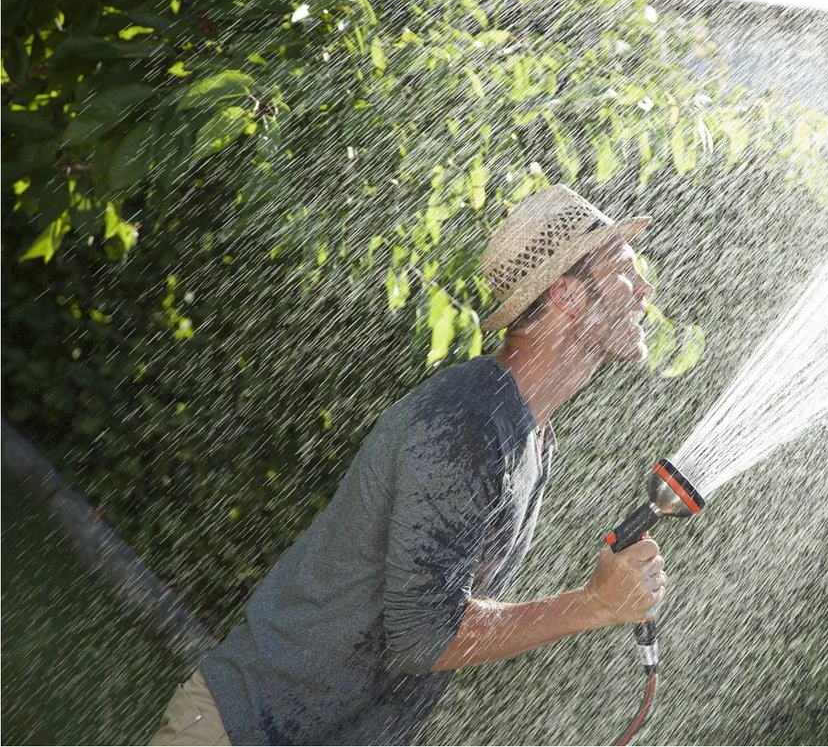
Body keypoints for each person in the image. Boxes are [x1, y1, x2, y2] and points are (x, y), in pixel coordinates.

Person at [150, 184, 667, 745]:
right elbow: (426, 637)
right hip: (248, 728)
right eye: (624, 271)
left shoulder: (532, 438)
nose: (644, 289)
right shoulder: (467, 423)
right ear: (566, 295)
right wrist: (593, 604)